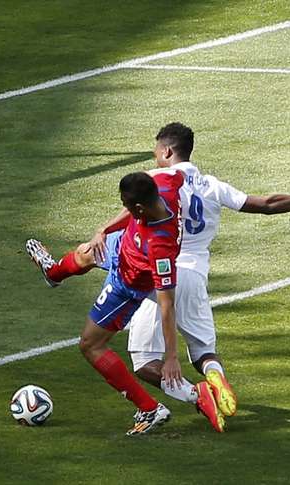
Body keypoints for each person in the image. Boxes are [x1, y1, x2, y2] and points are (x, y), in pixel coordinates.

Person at [27, 122, 290, 432]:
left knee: (139, 360)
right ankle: (214, 376)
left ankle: (186, 398)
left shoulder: (163, 181)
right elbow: (266, 205)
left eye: (155, 152)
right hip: (193, 275)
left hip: (152, 271)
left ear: (166, 151)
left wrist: (172, 357)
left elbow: (140, 221)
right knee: (204, 351)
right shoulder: (207, 185)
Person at [28, 169, 186, 435]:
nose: (123, 208)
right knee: (87, 251)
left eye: (125, 205)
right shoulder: (165, 184)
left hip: (128, 282)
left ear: (138, 209)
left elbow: (167, 305)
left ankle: (149, 408)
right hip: (124, 245)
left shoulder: (160, 249)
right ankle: (53, 273)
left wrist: (171, 357)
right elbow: (178, 174)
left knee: (90, 344)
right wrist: (104, 229)